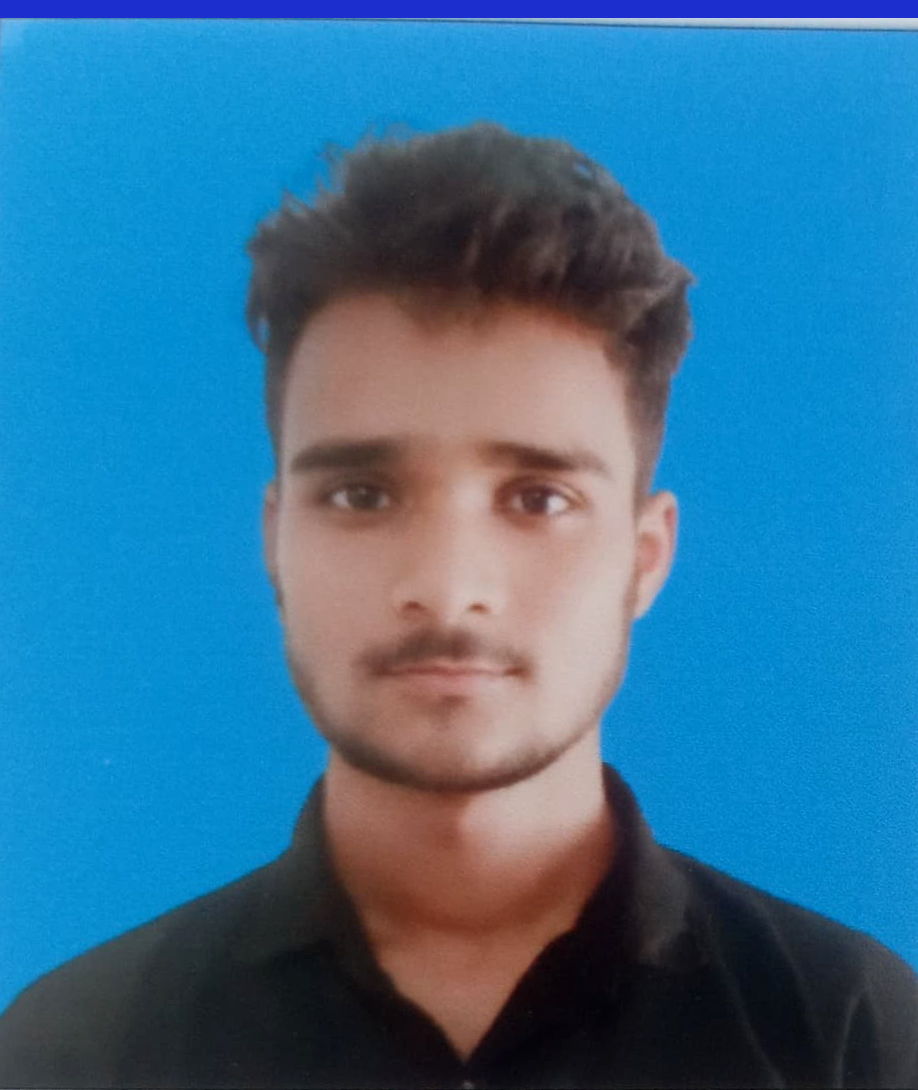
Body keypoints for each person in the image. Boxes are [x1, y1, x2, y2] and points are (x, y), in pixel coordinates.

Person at [0, 122, 915, 1090]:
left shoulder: (850, 1032)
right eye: (361, 495)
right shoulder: (76, 1047)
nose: (446, 586)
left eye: (539, 499)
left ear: (645, 558)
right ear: (276, 542)